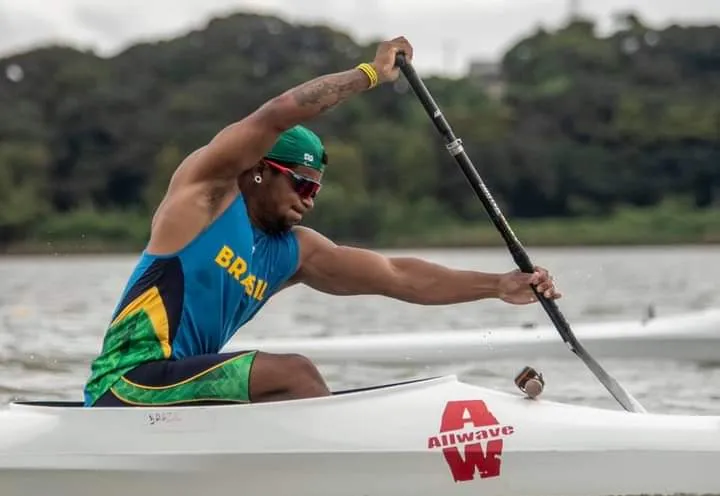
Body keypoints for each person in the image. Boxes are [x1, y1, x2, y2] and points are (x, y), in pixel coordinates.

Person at [83, 36, 561, 408]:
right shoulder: (206, 196)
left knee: (287, 383)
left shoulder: (294, 253)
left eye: (316, 189)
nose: (309, 200)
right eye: (301, 185)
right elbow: (274, 115)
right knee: (294, 374)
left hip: (180, 392)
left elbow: (400, 277)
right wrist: (370, 74)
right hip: (127, 382)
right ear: (260, 171)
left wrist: (498, 285)